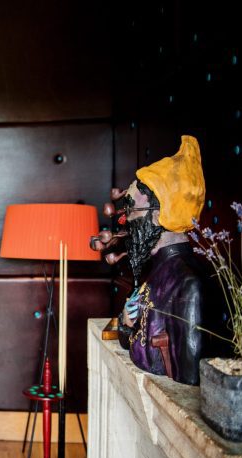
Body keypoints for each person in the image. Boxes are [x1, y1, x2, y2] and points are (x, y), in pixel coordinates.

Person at [95, 136, 207, 384]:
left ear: (159, 214)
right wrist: (126, 323)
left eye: (131, 209)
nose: (125, 220)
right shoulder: (156, 272)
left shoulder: (188, 285)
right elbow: (134, 337)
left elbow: (189, 379)